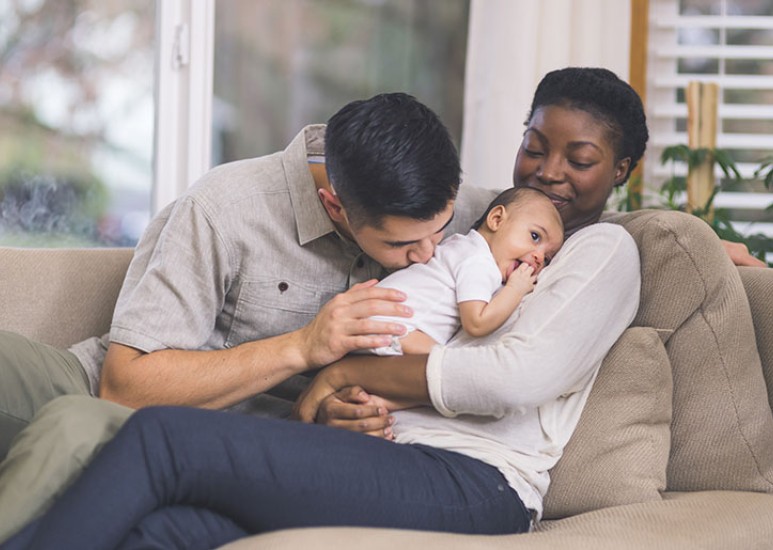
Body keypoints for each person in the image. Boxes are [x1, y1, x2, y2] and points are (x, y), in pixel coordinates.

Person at [2, 67, 646, 549]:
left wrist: (691, 235)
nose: (430, 254)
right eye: (536, 146)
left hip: (420, 466)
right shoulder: (229, 207)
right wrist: (312, 357)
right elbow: (124, 386)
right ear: (337, 205)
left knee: (129, 450)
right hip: (162, 394)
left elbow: (567, 254)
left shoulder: (532, 232)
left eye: (443, 229)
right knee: (131, 484)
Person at [367, 186, 564, 356]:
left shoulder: (462, 245)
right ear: (496, 219)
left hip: (375, 324)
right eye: (535, 237)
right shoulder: (478, 261)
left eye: (547, 258)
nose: (539, 258)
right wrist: (515, 289)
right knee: (449, 365)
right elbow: (477, 323)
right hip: (394, 330)